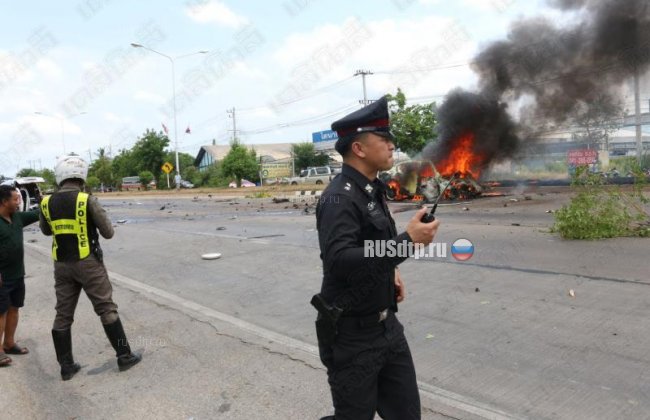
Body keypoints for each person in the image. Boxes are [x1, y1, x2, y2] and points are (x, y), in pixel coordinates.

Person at [313, 96, 440, 420]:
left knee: (407, 415)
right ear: (358, 148)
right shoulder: (337, 199)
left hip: (388, 330)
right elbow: (340, 259)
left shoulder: (373, 189)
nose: (391, 145)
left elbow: (371, 245)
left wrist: (391, 271)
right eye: (383, 139)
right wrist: (406, 242)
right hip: (352, 336)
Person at [39, 155, 141, 380]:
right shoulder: (87, 200)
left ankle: (66, 367)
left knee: (63, 314)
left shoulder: (46, 202)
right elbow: (108, 232)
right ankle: (124, 356)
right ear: (81, 176)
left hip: (61, 264)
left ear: (60, 177)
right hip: (88, 263)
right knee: (106, 308)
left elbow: (46, 231)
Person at [0, 185, 40, 367]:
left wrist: (41, 197)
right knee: (1, 313)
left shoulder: (17, 218)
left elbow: (41, 213)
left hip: (17, 274)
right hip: (2, 277)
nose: (19, 202)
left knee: (14, 308)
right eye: (15, 199)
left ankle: (9, 343)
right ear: (4, 201)